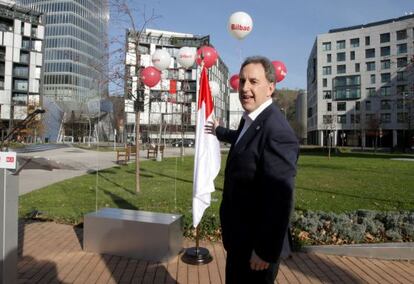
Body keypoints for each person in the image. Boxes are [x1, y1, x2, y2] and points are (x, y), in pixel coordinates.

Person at [206, 56, 299, 283]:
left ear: (270, 87)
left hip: (256, 250)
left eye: (253, 82)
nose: (245, 88)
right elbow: (242, 140)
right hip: (240, 240)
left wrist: (264, 250)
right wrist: (219, 131)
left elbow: (280, 198)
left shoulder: (277, 131)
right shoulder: (251, 119)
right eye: (243, 81)